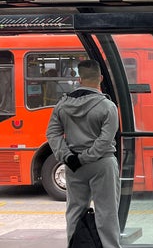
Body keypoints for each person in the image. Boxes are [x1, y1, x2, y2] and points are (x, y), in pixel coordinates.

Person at [45, 59, 121, 248]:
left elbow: (52, 133)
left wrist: (68, 157)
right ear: (100, 78)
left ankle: (74, 244)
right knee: (107, 212)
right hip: (102, 164)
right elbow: (105, 140)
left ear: (80, 79)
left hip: (74, 166)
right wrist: (86, 157)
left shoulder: (62, 105)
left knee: (75, 211)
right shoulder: (108, 107)